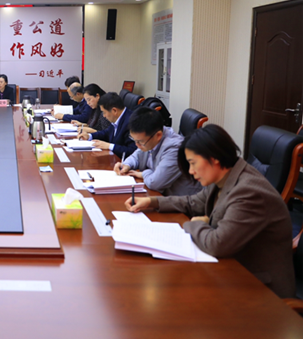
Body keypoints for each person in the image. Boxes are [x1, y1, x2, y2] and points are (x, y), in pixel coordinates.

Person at [125, 124, 295, 298]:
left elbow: (217, 244)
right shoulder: (225, 176)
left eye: (193, 163)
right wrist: (152, 202)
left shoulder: (249, 192)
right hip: (229, 269)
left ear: (214, 158)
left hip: (260, 290)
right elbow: (193, 202)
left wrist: (195, 224)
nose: (191, 171)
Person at [114, 107, 201, 196]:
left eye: (140, 142)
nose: (137, 145)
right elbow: (137, 156)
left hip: (181, 201)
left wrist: (143, 174)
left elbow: (155, 183)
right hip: (160, 195)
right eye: (134, 140)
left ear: (158, 135)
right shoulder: (150, 137)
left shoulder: (175, 148)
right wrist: (126, 165)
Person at [78, 92, 136, 159]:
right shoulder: (117, 118)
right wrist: (89, 136)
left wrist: (109, 146)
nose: (104, 116)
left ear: (114, 111)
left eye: (104, 112)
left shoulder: (132, 122)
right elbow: (107, 133)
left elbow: (132, 151)